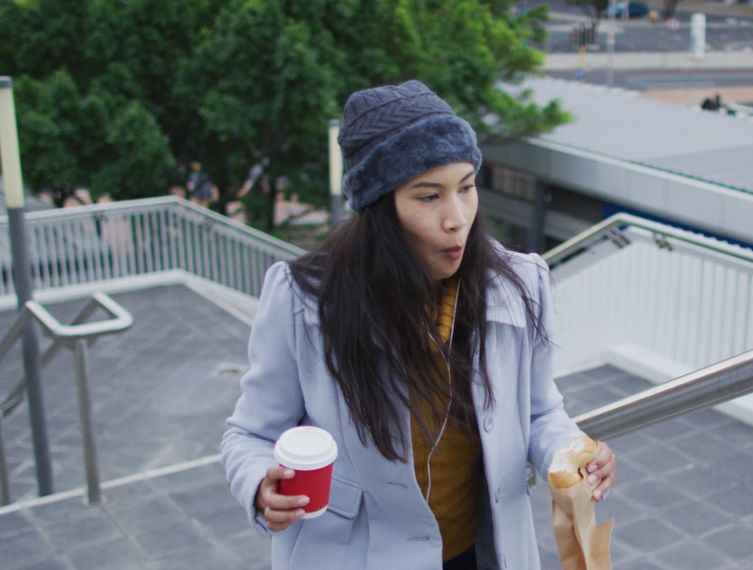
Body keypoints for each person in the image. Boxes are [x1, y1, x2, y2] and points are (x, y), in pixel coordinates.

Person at [221, 80, 616, 570]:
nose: (458, 219)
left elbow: (539, 413)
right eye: (429, 197)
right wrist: (262, 485)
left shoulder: (519, 283)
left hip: (481, 553)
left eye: (467, 187)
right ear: (380, 207)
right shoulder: (306, 300)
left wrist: (572, 450)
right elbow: (250, 435)